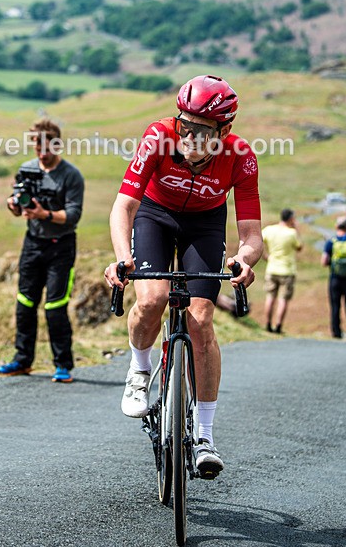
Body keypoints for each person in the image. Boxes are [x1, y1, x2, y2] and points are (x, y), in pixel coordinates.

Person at [104, 75, 262, 478]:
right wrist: (123, 260)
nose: (189, 136)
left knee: (202, 319)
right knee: (151, 299)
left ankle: (205, 437)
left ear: (224, 131)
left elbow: (251, 236)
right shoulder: (158, 137)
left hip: (205, 225)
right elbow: (123, 208)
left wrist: (244, 260)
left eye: (201, 130)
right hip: (155, 216)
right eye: (184, 123)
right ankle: (140, 370)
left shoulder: (241, 155)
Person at [0, 118, 84, 382]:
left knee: (55, 306)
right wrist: (13, 205)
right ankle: (22, 361)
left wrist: (43, 214)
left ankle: (63, 366)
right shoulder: (26, 169)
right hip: (33, 244)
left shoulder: (71, 175)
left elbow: (73, 216)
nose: (42, 151)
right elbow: (18, 203)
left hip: (61, 246)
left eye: (47, 145)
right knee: (25, 303)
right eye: (37, 145)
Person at [262, 208, 302, 334]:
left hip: (272, 268)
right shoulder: (291, 233)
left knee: (270, 297)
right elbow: (299, 247)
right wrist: (296, 230)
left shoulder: (269, 229)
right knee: (283, 300)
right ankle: (278, 326)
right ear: (290, 219)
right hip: (287, 270)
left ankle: (267, 324)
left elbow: (259, 240)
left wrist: (265, 255)